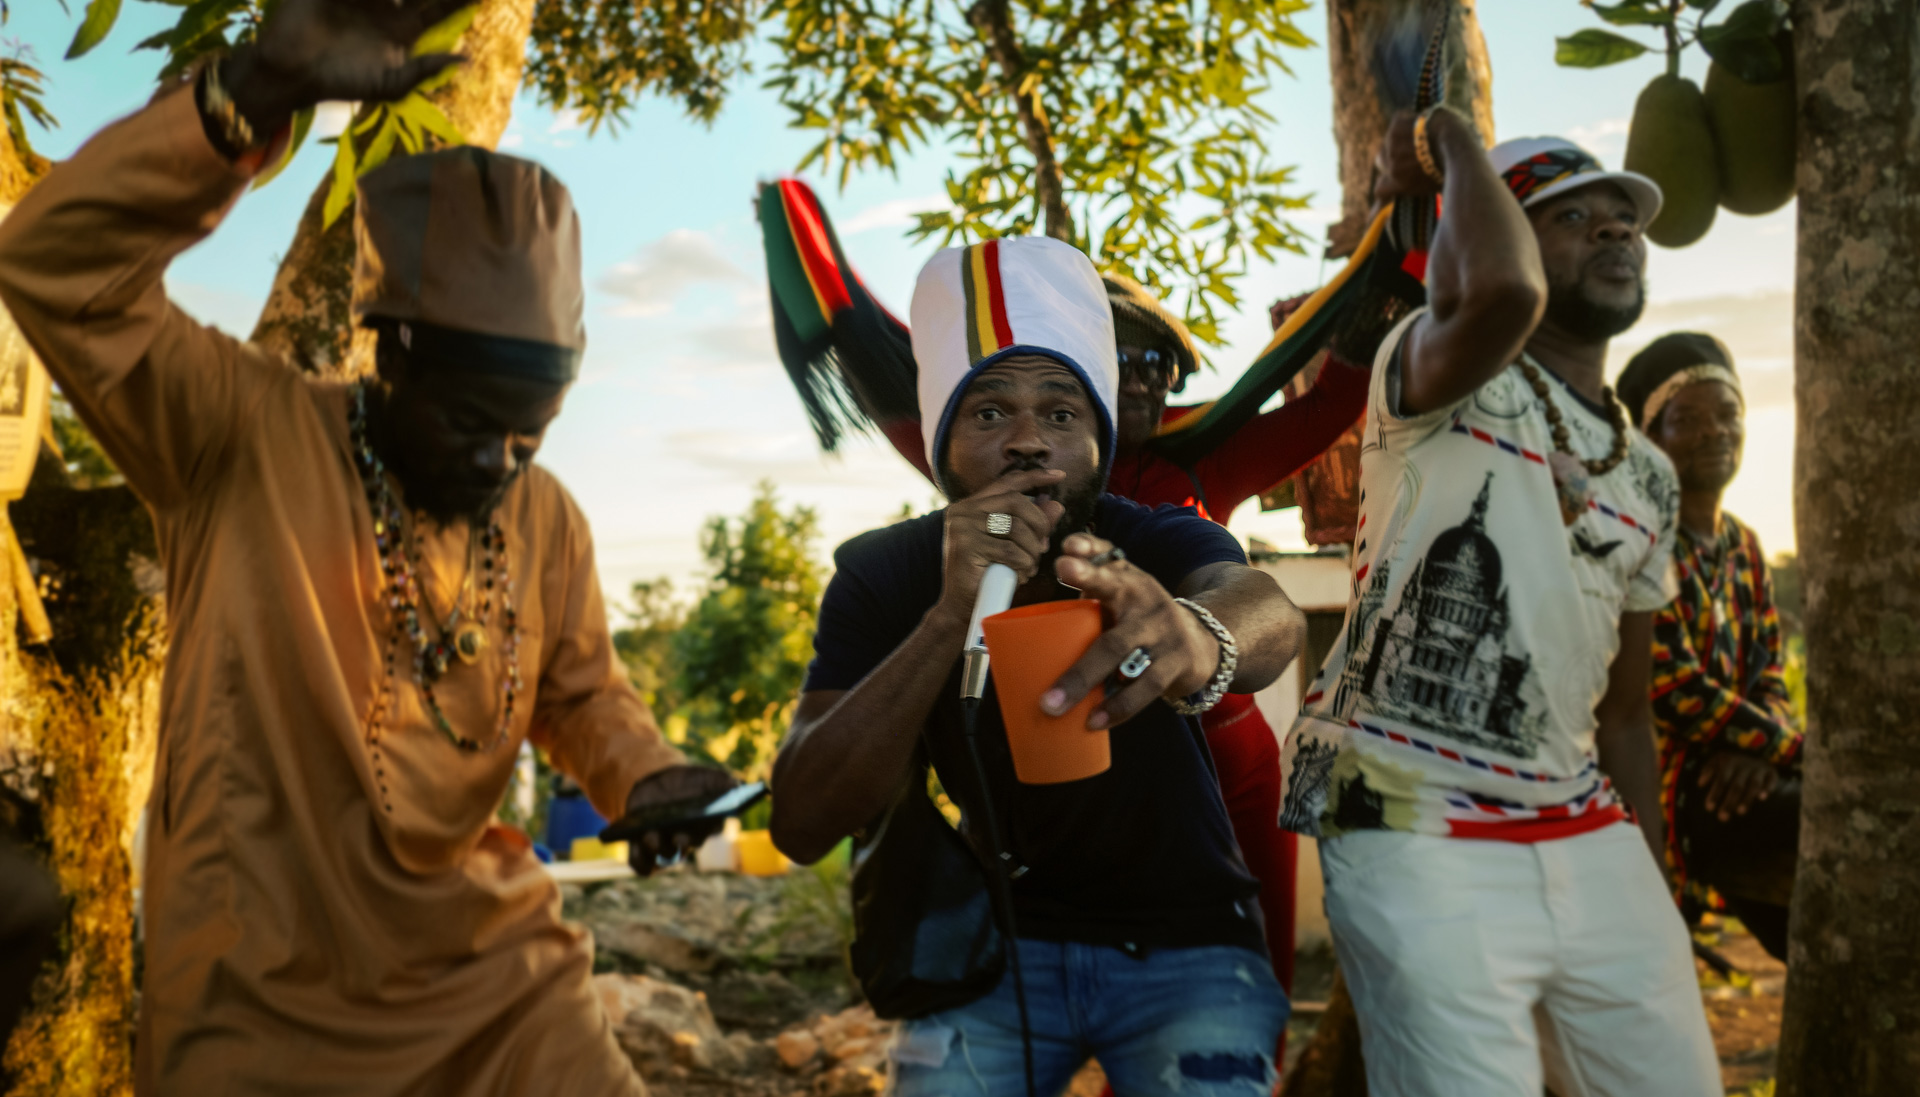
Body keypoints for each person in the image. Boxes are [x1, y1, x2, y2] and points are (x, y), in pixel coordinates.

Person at [0, 1, 733, 1092]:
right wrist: (252, 93)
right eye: (470, 419)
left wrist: (652, 772)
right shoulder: (235, 433)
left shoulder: (547, 515)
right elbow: (55, 265)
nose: (500, 459)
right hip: (262, 996)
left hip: (497, 988)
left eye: (531, 428)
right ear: (387, 354)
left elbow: (582, 697)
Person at [771, 236, 1308, 1095]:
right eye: (989, 413)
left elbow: (1269, 610)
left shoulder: (1152, 540)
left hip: (1189, 943)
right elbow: (800, 821)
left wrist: (1196, 636)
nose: (1029, 442)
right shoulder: (884, 573)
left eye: (1062, 414)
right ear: (942, 443)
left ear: (1097, 438)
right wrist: (948, 616)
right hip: (995, 955)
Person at [1278, 116, 1721, 1096]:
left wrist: (1647, 878)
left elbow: (1627, 710)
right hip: (1397, 807)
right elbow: (1503, 293)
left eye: (1623, 220)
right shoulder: (1438, 380)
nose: (1614, 232)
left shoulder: (1648, 473)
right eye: (1571, 217)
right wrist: (1451, 147)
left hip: (1577, 817)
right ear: (1494, 236)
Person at [1617, 331, 1801, 961]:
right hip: (1670, 792)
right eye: (1687, 419)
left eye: (1728, 414)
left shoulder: (1745, 545)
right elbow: (1669, 685)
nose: (1716, 431)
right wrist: (1793, 750)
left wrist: (1766, 753)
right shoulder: (1641, 539)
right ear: (1652, 439)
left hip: (1745, 781)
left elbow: (1768, 671)